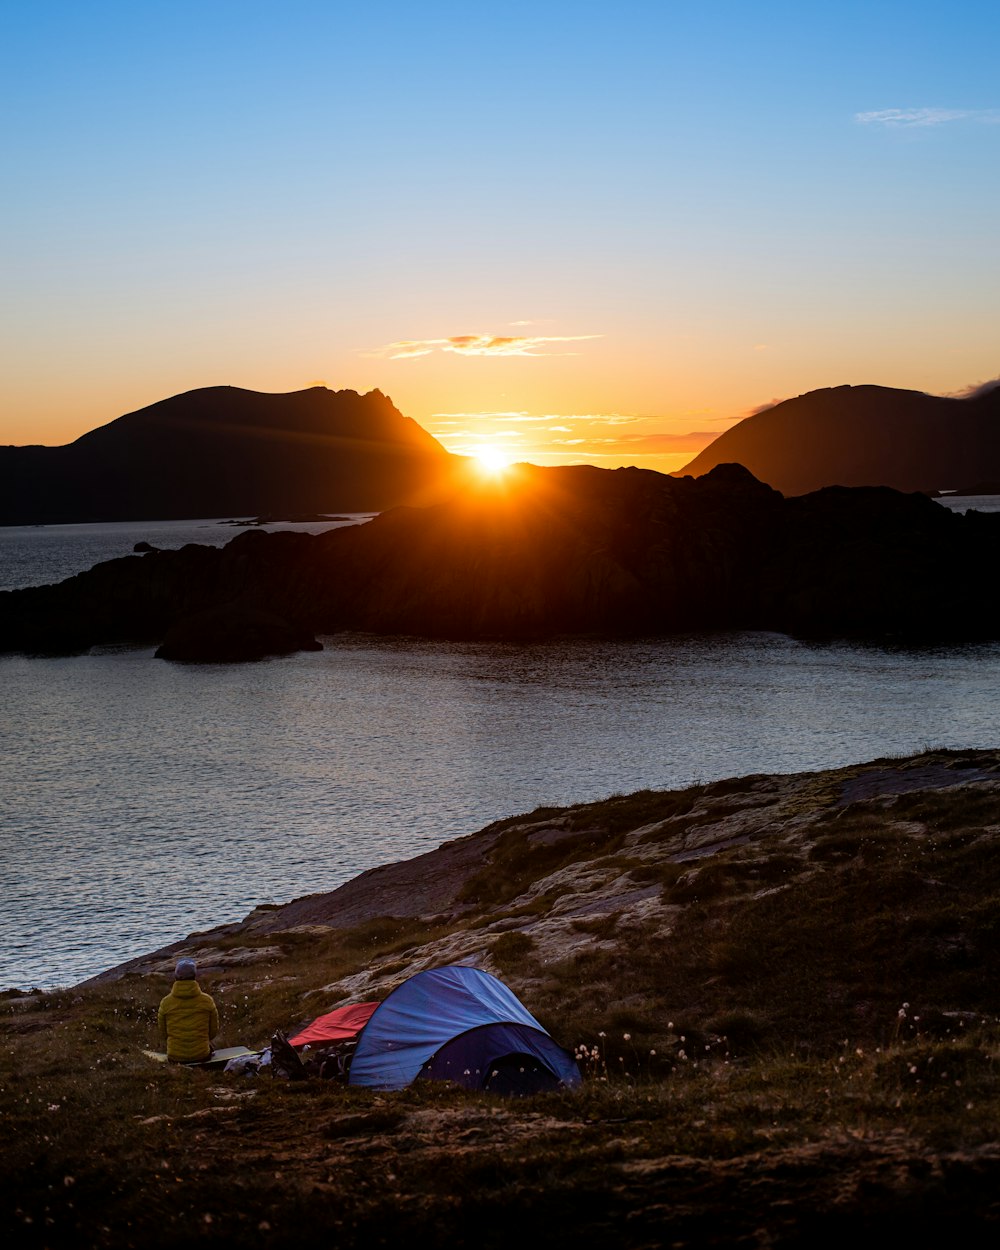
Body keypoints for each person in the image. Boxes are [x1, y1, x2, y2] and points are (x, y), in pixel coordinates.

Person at [157, 958, 220, 1063]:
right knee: (209, 1048)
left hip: (175, 1057)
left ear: (176, 977)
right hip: (202, 1055)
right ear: (194, 977)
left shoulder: (165, 1002)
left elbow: (164, 1034)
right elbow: (213, 1032)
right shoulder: (207, 1000)